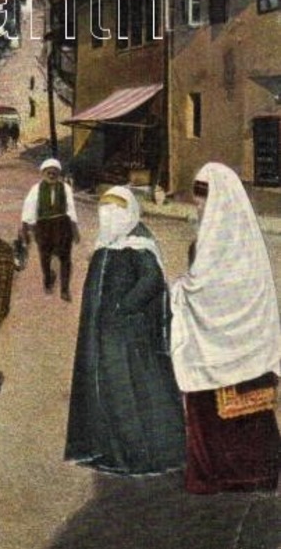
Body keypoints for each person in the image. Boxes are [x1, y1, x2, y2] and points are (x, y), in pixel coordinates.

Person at [170, 162, 281, 494]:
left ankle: (252, 475)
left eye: (204, 199)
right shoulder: (203, 242)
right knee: (212, 423)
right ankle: (216, 474)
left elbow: (232, 291)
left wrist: (183, 292)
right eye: (198, 198)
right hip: (212, 347)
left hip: (240, 348)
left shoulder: (241, 243)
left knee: (246, 424)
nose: (199, 206)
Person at [65, 185, 186, 475]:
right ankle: (102, 449)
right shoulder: (104, 245)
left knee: (129, 391)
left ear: (128, 211)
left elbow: (151, 281)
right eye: (103, 210)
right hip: (100, 334)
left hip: (128, 335)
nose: (108, 216)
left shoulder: (139, 245)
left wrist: (124, 307)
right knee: (103, 389)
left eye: (114, 210)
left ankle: (137, 454)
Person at [20, 157, 80, 302]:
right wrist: (26, 227)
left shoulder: (65, 188)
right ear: (43, 173)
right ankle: (48, 279)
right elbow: (29, 208)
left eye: (54, 173)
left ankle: (65, 290)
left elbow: (71, 208)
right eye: (49, 172)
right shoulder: (36, 189)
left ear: (58, 173)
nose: (51, 175)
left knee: (65, 258)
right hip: (44, 227)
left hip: (62, 225)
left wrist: (75, 229)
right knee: (45, 257)